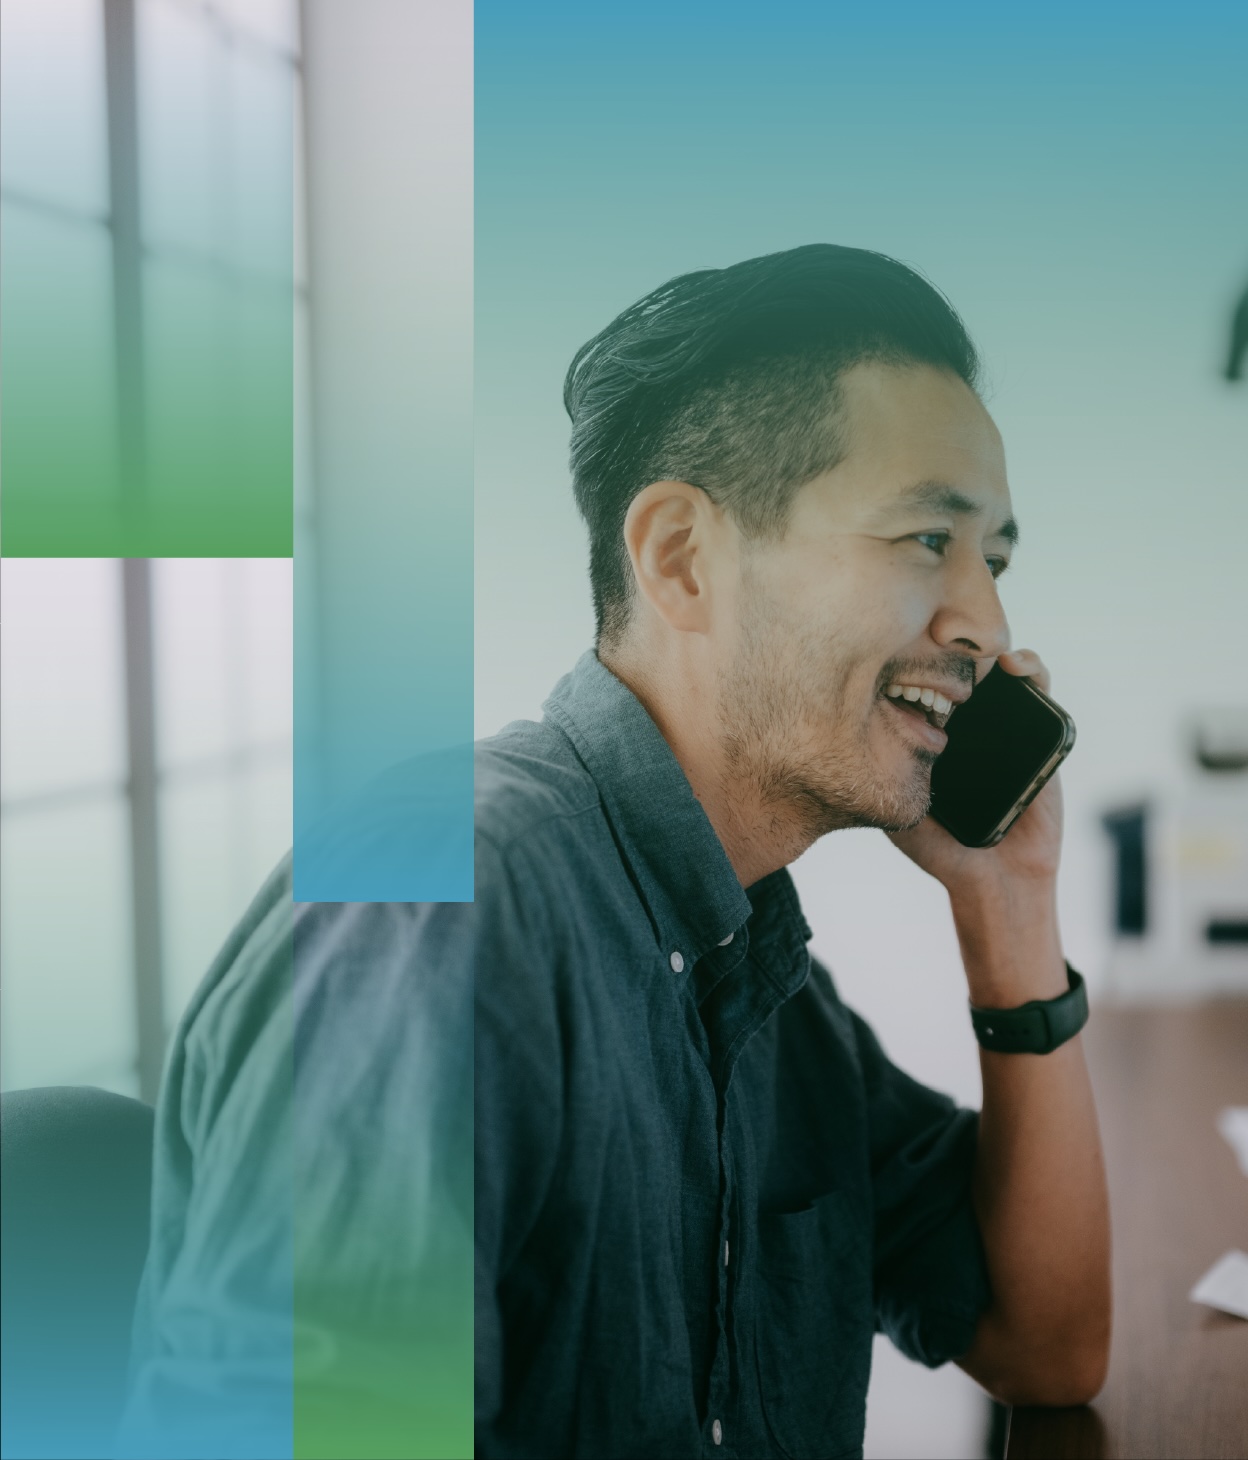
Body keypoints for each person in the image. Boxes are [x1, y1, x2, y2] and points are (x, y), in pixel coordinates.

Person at [121, 244, 1110, 1460]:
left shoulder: (765, 984)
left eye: (993, 561)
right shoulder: (444, 907)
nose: (988, 624)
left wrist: (1012, 910)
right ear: (682, 556)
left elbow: (1044, 1343)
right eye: (925, 540)